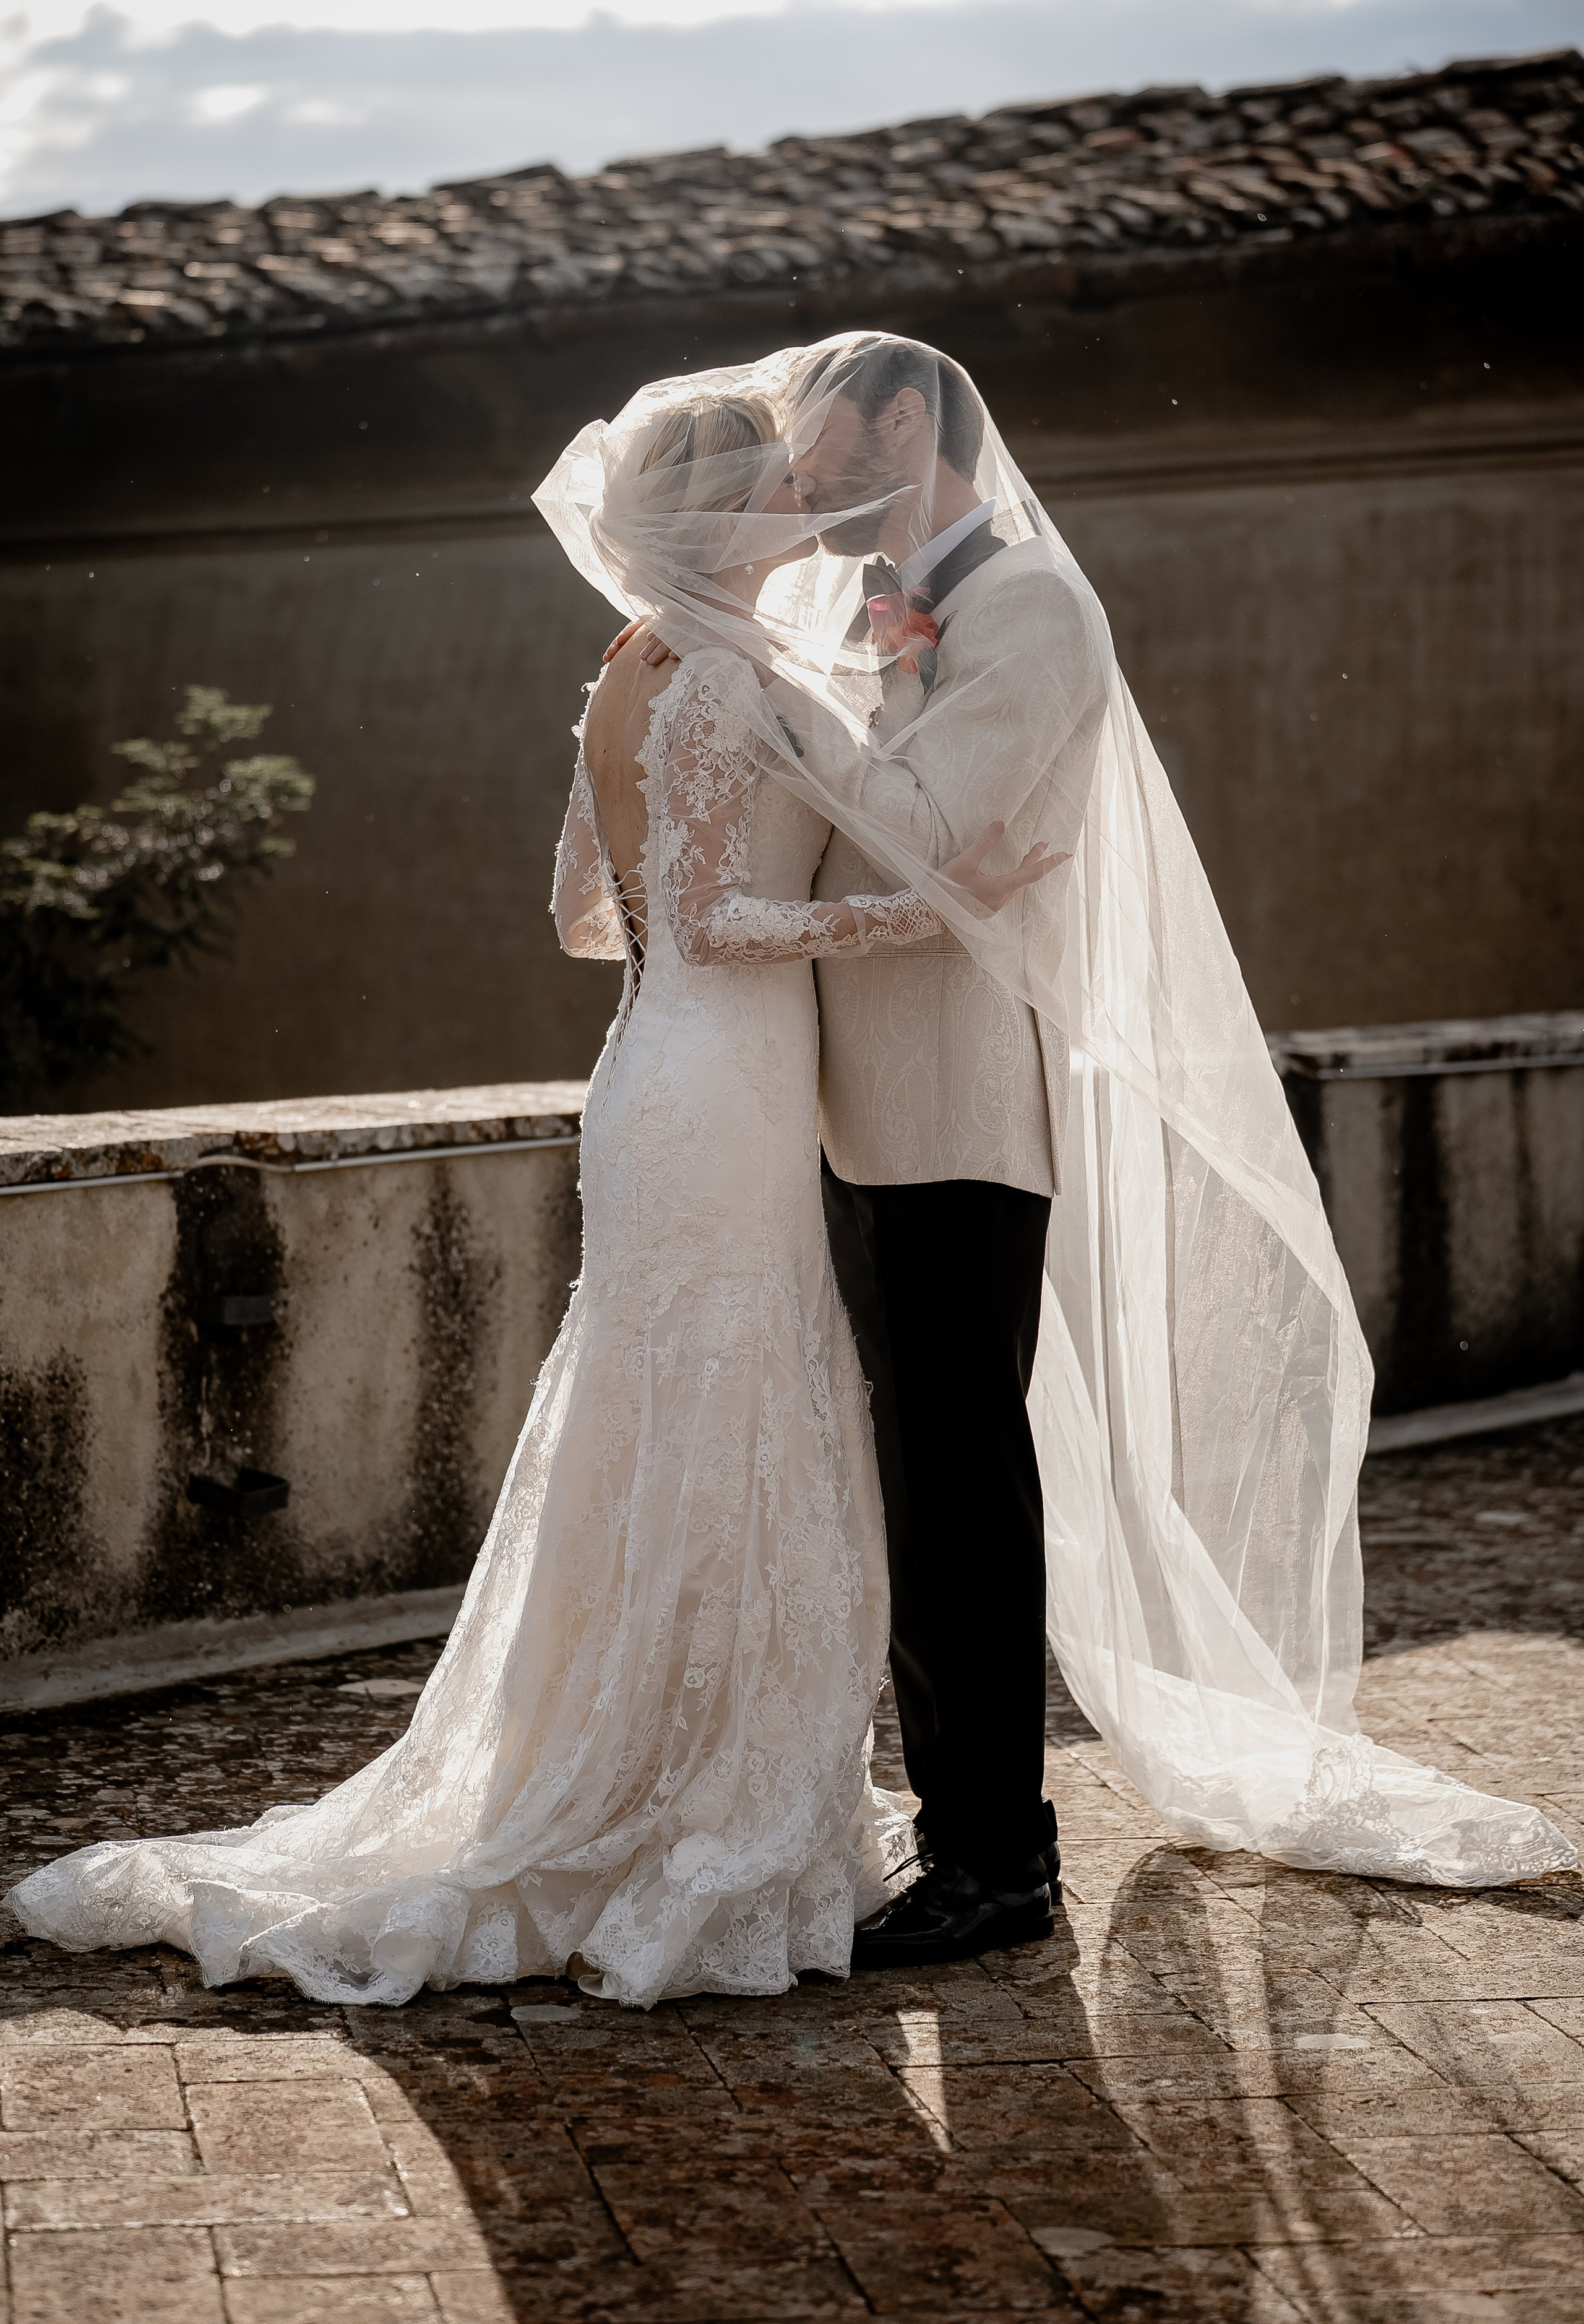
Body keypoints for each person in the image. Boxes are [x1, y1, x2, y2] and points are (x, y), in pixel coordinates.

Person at [6, 391, 1054, 2010]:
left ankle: (657, 1761)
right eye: (784, 477)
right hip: (719, 1086)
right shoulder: (717, 675)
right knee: (721, 1410)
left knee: (667, 1415)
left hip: (657, 1074)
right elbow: (717, 925)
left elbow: (588, 914)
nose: (809, 494)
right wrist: (932, 905)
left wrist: (708, 911)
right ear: (724, 514)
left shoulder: (636, 670)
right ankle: (679, 1797)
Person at [566, 332, 1573, 1909]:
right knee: (904, 1469)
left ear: (908, 420)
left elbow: (912, 829)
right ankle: (943, 1812)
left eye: (819, 441)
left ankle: (995, 1855)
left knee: (961, 1473)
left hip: (956, 1101)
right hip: (815, 1101)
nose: (800, 477)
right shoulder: (852, 621)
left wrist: (772, 710)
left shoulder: (1030, 606)